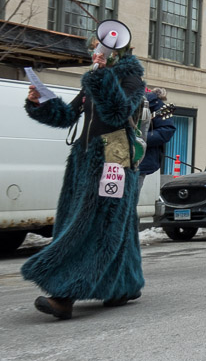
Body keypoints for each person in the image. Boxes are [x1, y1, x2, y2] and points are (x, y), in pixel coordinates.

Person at [23, 42, 146, 320]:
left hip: (113, 157)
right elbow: (67, 115)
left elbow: (117, 111)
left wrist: (101, 77)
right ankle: (122, 285)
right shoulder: (95, 76)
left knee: (96, 225)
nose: (95, 52)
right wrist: (40, 102)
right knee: (115, 223)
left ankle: (64, 294)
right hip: (85, 158)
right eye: (94, 48)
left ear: (116, 50)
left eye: (100, 47)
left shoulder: (132, 77)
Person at [137, 87, 175, 195]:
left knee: (129, 201)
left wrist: (141, 139)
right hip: (117, 160)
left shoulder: (155, 104)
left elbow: (166, 131)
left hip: (139, 161)